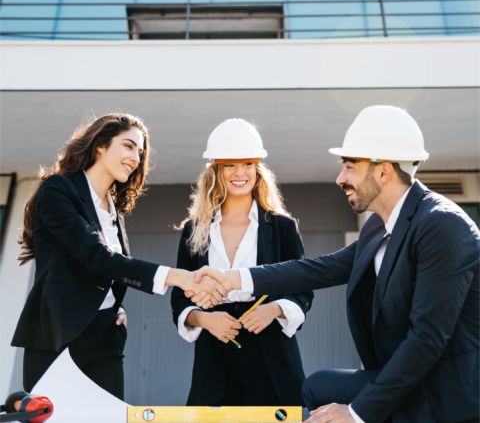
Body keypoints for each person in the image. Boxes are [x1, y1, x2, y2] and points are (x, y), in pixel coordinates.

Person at [193, 106, 480, 423]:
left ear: (383, 171)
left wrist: (357, 413)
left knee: (337, 409)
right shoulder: (379, 227)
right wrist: (234, 278)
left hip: (446, 393)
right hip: (409, 377)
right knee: (318, 387)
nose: (340, 178)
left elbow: (426, 340)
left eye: (349, 166)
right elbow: (317, 270)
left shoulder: (442, 226)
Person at [11, 113, 228, 400]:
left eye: (140, 152)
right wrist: (180, 277)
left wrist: (116, 305)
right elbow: (96, 256)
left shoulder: (114, 210)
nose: (136, 157)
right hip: (56, 333)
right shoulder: (57, 189)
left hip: (104, 338)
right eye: (128, 146)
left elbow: (109, 271)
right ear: (100, 145)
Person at [171, 119, 314, 406]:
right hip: (215, 354)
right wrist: (205, 320)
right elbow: (179, 297)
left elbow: (302, 291)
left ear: (257, 169)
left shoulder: (283, 227)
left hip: (272, 355)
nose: (240, 173)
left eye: (248, 163)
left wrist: (272, 309)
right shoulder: (194, 230)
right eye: (229, 165)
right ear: (215, 171)